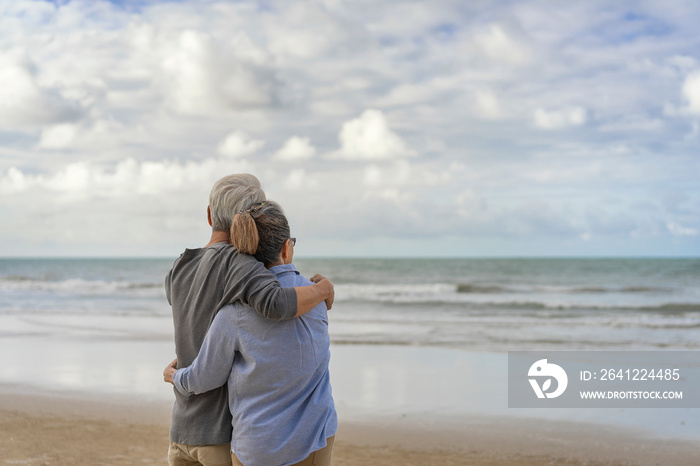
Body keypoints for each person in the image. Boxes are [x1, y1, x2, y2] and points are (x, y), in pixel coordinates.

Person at [166, 175, 334, 466]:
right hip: (216, 433)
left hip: (181, 425)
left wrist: (177, 375)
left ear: (209, 215)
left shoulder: (181, 265)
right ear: (246, 224)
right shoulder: (240, 265)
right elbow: (276, 302)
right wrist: (322, 290)